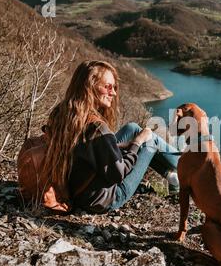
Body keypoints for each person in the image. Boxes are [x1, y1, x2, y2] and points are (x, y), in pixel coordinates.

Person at [42, 60, 180, 213]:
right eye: (108, 86)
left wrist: (121, 146)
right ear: (90, 86)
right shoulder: (97, 128)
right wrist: (137, 142)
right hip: (101, 199)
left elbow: (84, 149)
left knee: (132, 127)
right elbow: (118, 174)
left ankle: (171, 173)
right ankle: (182, 166)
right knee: (150, 140)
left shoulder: (63, 113)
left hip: (73, 188)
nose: (113, 93)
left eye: (114, 88)